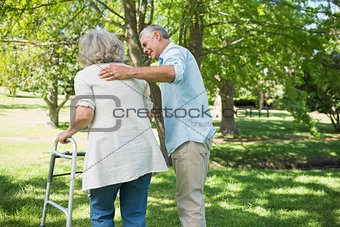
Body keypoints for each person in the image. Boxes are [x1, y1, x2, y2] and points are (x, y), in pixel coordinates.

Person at [98, 25, 215, 227]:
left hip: (189, 139)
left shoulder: (175, 53)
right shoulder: (170, 58)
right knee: (191, 199)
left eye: (145, 44)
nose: (144, 50)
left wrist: (129, 72)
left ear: (157, 36)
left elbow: (173, 73)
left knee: (189, 203)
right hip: (194, 137)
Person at [57, 29, 168, 227]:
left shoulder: (85, 76)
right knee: (135, 217)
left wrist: (67, 133)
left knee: (102, 215)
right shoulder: (137, 77)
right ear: (117, 47)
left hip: (108, 157)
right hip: (141, 155)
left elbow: (84, 115)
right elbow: (148, 114)